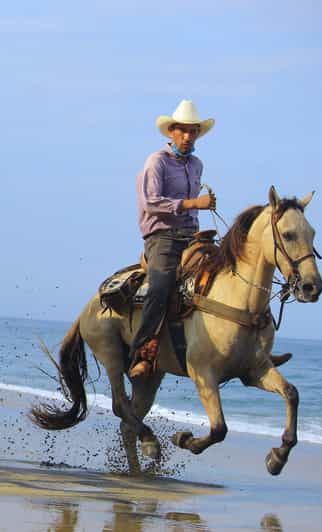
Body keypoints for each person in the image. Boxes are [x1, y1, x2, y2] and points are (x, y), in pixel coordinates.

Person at [128, 100, 216, 378]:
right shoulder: (156, 162)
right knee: (161, 285)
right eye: (183, 131)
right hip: (161, 236)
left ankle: (244, 346)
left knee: (224, 272)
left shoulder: (197, 165)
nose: (188, 136)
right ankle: (140, 354)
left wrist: (200, 211)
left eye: (193, 132)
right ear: (171, 132)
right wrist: (192, 203)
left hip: (191, 236)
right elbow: (151, 202)